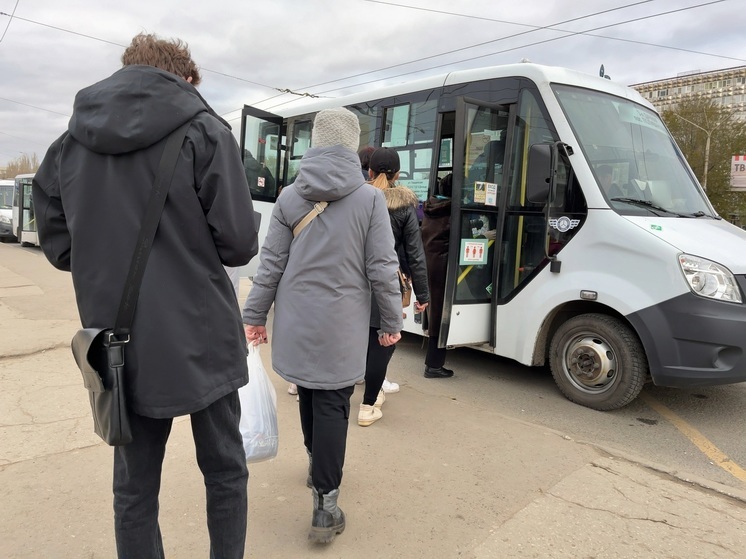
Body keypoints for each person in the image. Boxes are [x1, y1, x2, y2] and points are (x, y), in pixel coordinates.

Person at [32, 33, 258, 558]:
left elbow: (59, 245)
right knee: (225, 471)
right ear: (183, 77)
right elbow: (240, 242)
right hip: (203, 335)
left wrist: (101, 258)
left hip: (120, 341)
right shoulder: (204, 130)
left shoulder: (67, 145)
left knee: (133, 490)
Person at [242, 107, 402, 544]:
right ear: (351, 145)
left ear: (313, 142)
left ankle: (317, 466)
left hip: (295, 319)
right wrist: (391, 319)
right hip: (344, 323)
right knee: (333, 402)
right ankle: (326, 504)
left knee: (309, 394)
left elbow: (271, 263)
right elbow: (383, 267)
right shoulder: (370, 198)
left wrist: (254, 315)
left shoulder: (290, 196)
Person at [359, 148, 430, 426]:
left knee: (358, 337)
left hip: (351, 281)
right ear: (398, 175)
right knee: (383, 341)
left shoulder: (356, 199)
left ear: (370, 172)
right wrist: (422, 294)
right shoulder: (403, 206)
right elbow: (415, 252)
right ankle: (369, 403)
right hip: (387, 281)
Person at [420, 173, 455, 378]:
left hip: (429, 265)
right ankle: (433, 366)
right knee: (440, 316)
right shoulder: (450, 212)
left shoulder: (431, 207)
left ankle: (433, 364)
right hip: (442, 268)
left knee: (434, 313)